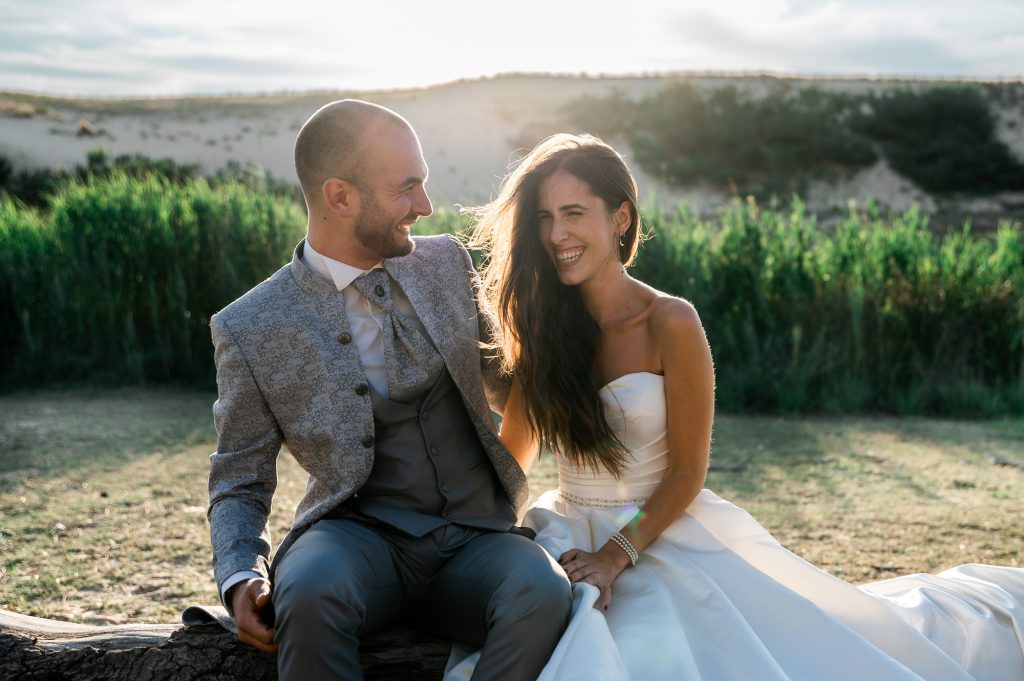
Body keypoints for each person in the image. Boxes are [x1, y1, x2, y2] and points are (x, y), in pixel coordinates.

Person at [446, 132, 1024, 681]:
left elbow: (686, 473)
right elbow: (514, 457)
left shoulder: (671, 322)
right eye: (545, 217)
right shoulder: (542, 327)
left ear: (620, 218)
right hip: (566, 533)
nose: (557, 234)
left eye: (574, 213)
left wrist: (613, 558)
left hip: (657, 535)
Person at [207, 99, 571, 681]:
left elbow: (513, 385)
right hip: (354, 543)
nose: (425, 206)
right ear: (340, 197)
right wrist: (239, 575)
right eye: (407, 188)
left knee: (542, 591)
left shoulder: (446, 263)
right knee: (308, 593)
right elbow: (238, 478)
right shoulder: (249, 326)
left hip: (475, 540)